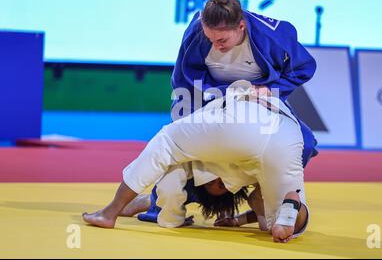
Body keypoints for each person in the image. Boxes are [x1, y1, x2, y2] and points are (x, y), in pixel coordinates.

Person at [138, 0, 317, 223]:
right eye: (209, 38)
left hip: (259, 98)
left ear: (241, 26)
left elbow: (305, 66)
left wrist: (271, 91)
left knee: (304, 143)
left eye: (221, 39)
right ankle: (158, 205)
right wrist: (183, 121)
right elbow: (183, 77)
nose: (215, 45)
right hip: (211, 98)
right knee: (177, 147)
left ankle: (264, 197)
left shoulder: (272, 34)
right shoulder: (196, 32)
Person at [83, 80, 314, 243]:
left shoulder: (199, 156)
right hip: (288, 134)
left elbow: (170, 186)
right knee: (278, 222)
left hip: (245, 120)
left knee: (166, 142)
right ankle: (292, 208)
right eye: (221, 185)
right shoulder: (242, 181)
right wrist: (242, 218)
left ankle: (108, 213)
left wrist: (171, 219)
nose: (218, 183)